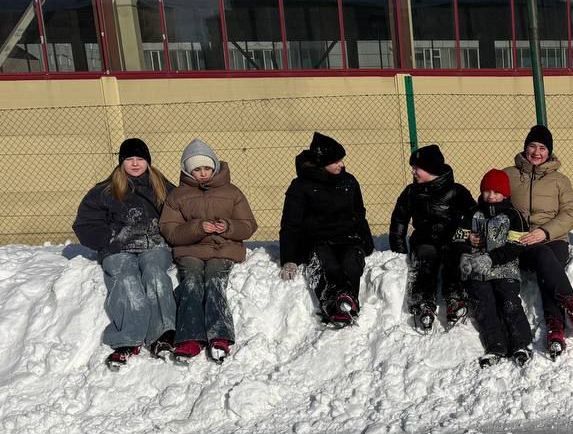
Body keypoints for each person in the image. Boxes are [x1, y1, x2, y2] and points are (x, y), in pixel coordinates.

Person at [72, 138, 177, 369]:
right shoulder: (104, 190)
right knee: (126, 279)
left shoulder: (162, 187)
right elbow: (86, 223)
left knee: (155, 274)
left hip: (154, 245)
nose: (135, 163)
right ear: (121, 162)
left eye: (140, 159)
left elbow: (181, 214)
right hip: (119, 248)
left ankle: (163, 334)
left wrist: (172, 236)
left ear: (148, 162)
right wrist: (108, 238)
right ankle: (127, 339)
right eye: (129, 159)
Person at [159, 139, 258, 361]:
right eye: (196, 169)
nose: (202, 173)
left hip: (224, 249)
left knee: (214, 280)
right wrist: (197, 227)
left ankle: (220, 336)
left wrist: (228, 227)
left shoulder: (233, 192)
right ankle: (190, 338)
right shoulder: (177, 196)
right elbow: (170, 230)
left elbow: (249, 225)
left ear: (214, 166)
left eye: (206, 168)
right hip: (190, 250)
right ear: (187, 170)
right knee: (191, 282)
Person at [504, 125, 573, 357]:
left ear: (549, 152)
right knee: (542, 258)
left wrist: (545, 232)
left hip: (553, 238)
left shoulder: (560, 180)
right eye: (532, 146)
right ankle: (570, 307)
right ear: (525, 148)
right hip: (520, 242)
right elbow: (492, 205)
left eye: (542, 148)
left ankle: (556, 329)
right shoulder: (508, 175)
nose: (537, 152)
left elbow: (570, 212)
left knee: (548, 259)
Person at [278, 132, 374, 328]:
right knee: (326, 265)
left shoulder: (349, 181)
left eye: (341, 160)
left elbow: (359, 214)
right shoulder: (301, 186)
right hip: (316, 239)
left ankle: (347, 301)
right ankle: (333, 304)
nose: (341, 165)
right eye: (336, 161)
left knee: (352, 263)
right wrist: (289, 258)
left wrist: (367, 243)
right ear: (322, 163)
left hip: (347, 237)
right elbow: (290, 224)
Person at [388, 143, 476, 333]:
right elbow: (399, 221)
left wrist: (467, 235)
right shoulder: (411, 192)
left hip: (452, 239)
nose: (413, 172)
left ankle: (455, 299)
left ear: (431, 169)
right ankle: (423, 302)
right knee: (425, 259)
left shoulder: (456, 191)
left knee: (454, 259)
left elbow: (474, 216)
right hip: (424, 239)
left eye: (416, 168)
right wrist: (398, 250)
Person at [459, 169, 534, 367]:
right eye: (487, 191)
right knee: (484, 306)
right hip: (478, 271)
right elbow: (456, 238)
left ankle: (521, 344)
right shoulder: (472, 213)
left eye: (496, 192)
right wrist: (467, 242)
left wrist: (492, 258)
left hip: (505, 269)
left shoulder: (513, 216)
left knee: (508, 301)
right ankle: (495, 346)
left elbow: (516, 245)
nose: (491, 196)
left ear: (505, 193)